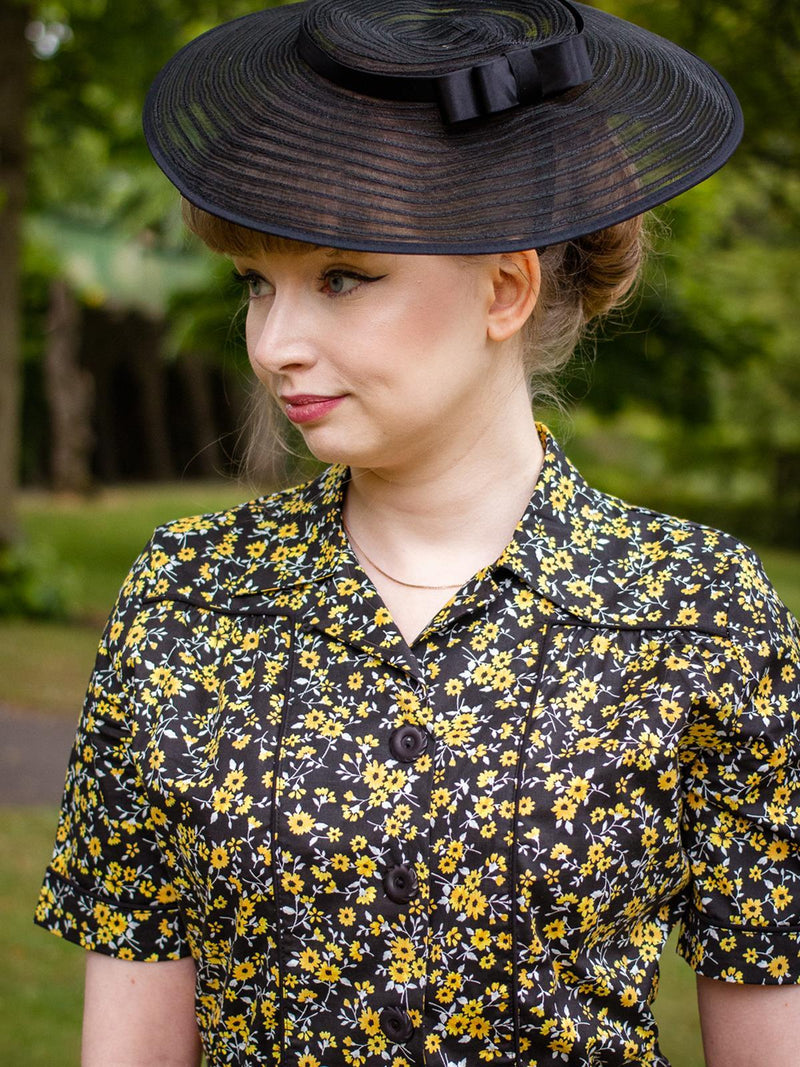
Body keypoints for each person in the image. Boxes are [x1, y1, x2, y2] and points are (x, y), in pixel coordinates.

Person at [35, 1, 800, 1065]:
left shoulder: (699, 615)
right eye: (258, 284)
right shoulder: (183, 600)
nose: (274, 344)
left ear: (502, 286)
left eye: (341, 278)